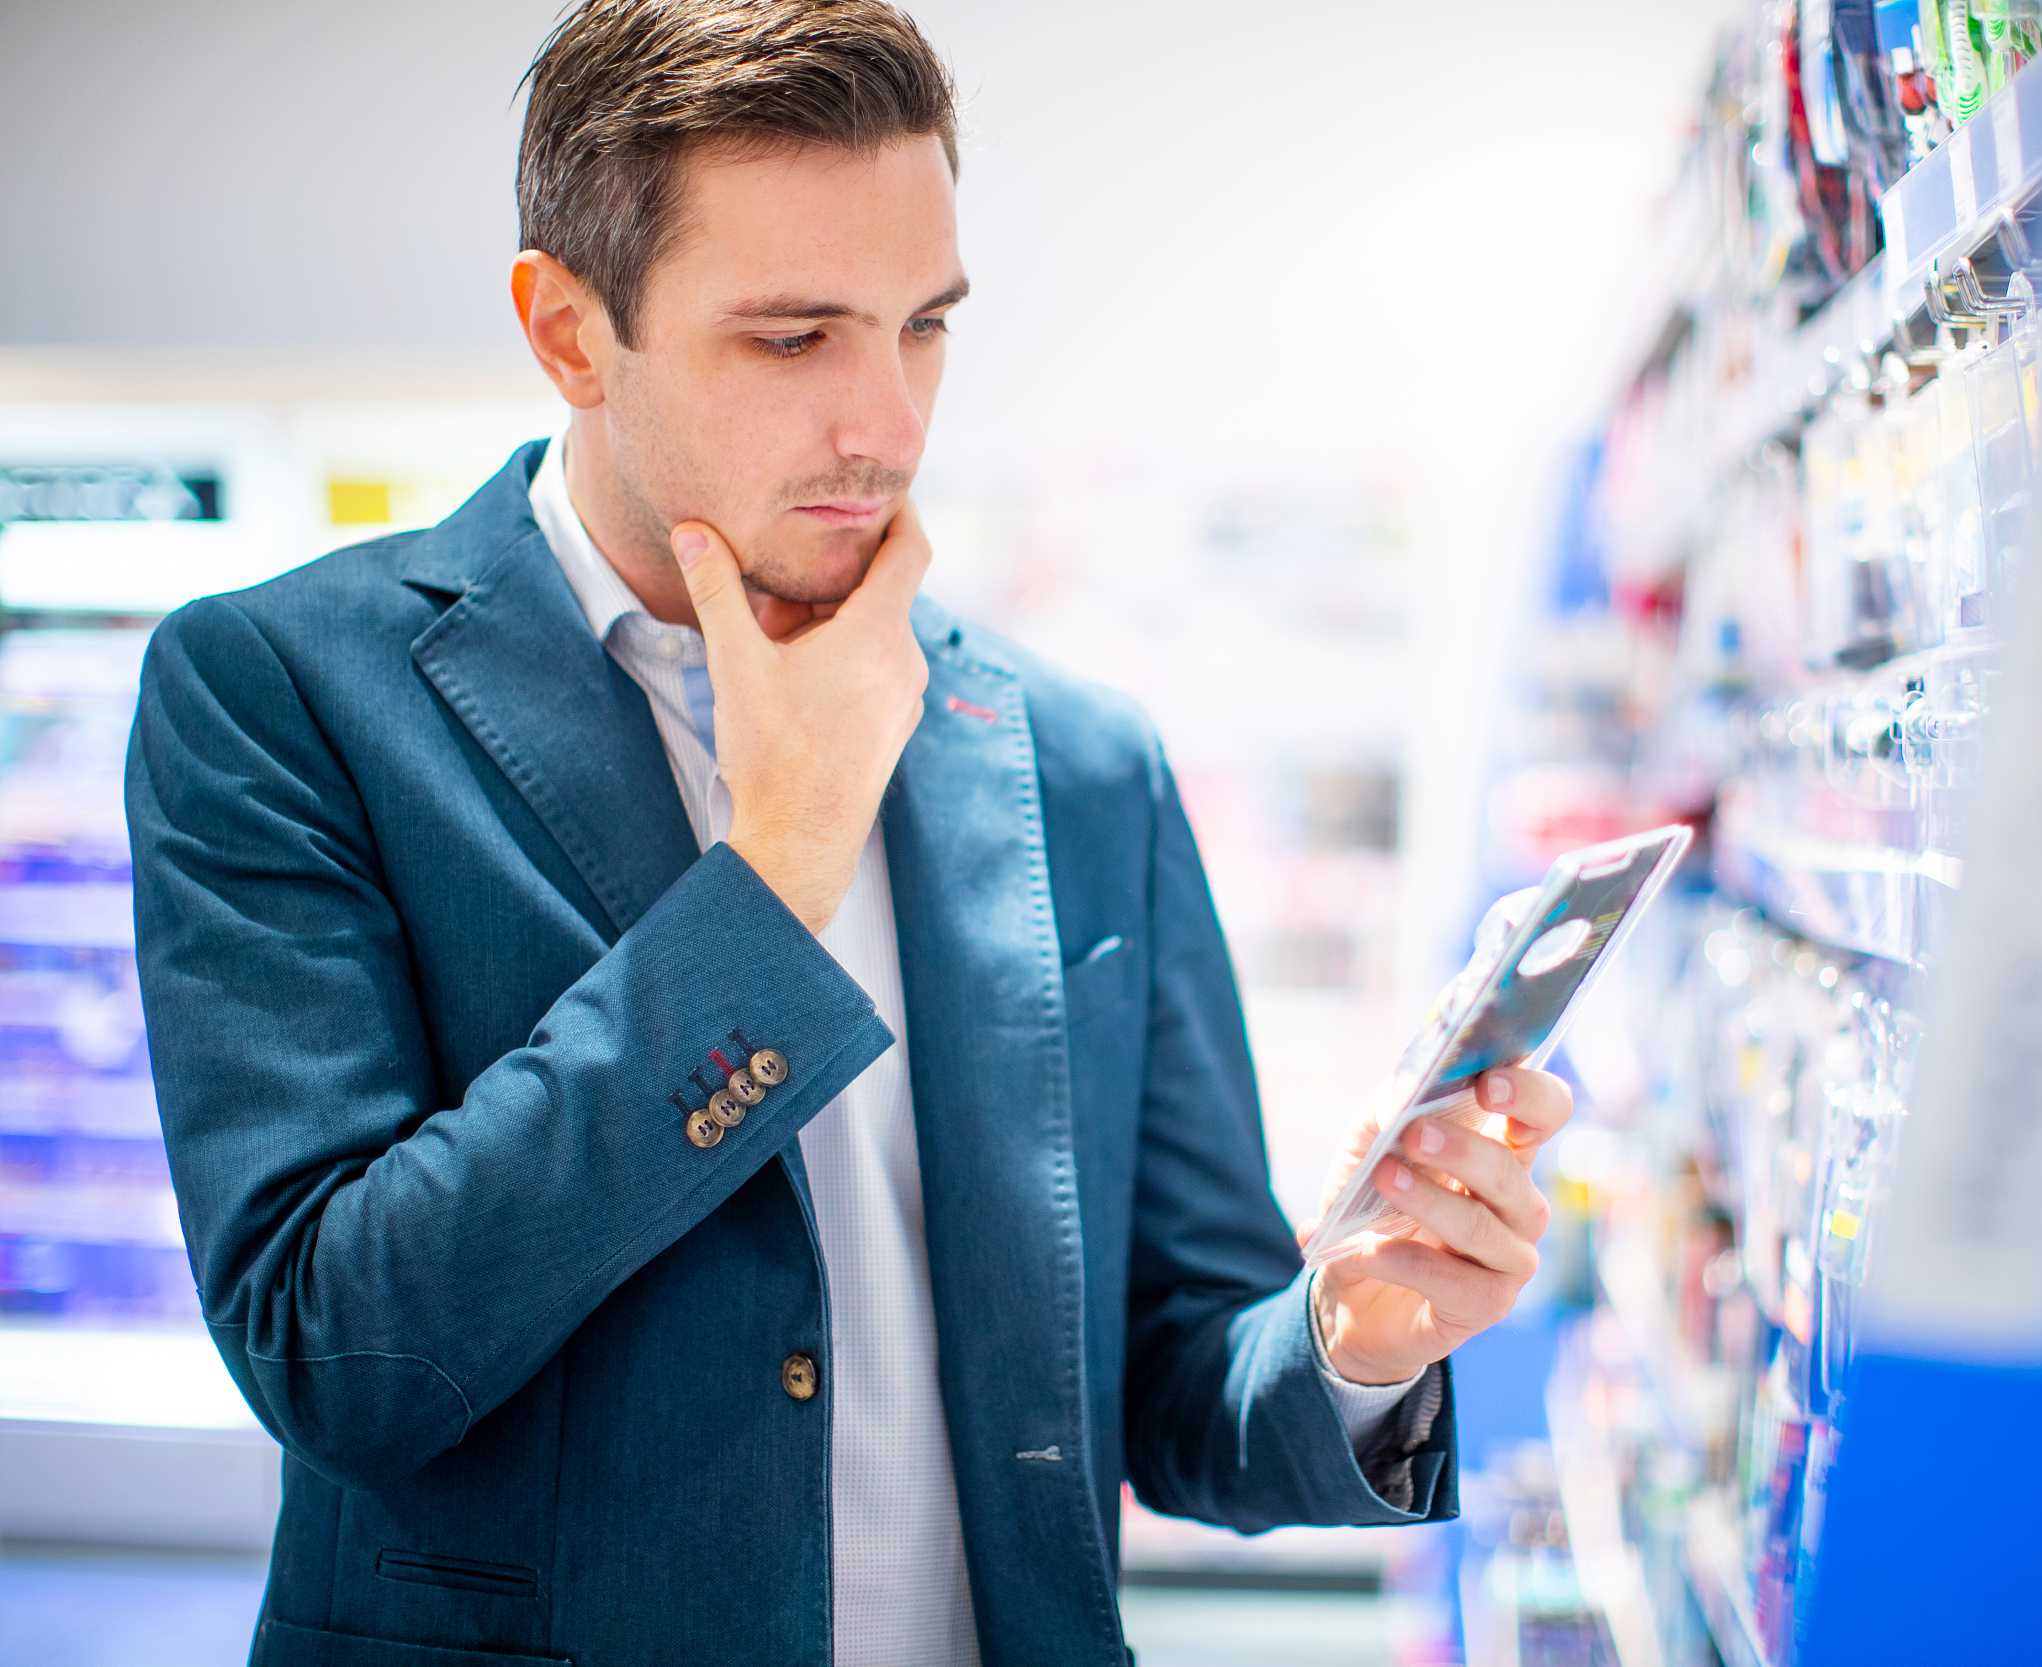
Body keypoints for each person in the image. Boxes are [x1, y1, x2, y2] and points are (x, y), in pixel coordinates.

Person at [122, 3, 1573, 1663]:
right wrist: (778, 874)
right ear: (571, 332)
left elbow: (1177, 1381)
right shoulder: (286, 694)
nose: (888, 425)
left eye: (924, 326)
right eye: (795, 337)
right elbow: (338, 1354)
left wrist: (1356, 1332)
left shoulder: (1074, 761)